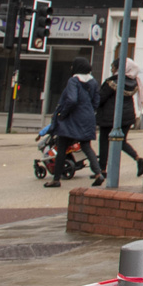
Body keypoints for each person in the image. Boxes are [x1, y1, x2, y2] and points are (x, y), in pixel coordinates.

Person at [44, 56, 104, 188]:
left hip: (71, 118)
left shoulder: (73, 81)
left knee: (62, 147)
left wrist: (62, 114)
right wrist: (87, 110)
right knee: (86, 147)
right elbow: (96, 101)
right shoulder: (93, 82)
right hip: (87, 117)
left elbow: (71, 100)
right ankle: (98, 173)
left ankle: (56, 179)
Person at [96, 56, 143, 177]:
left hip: (110, 117)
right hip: (127, 116)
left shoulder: (113, 81)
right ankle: (138, 159)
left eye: (113, 67)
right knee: (122, 141)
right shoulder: (133, 82)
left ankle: (102, 169)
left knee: (104, 142)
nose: (112, 69)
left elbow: (100, 98)